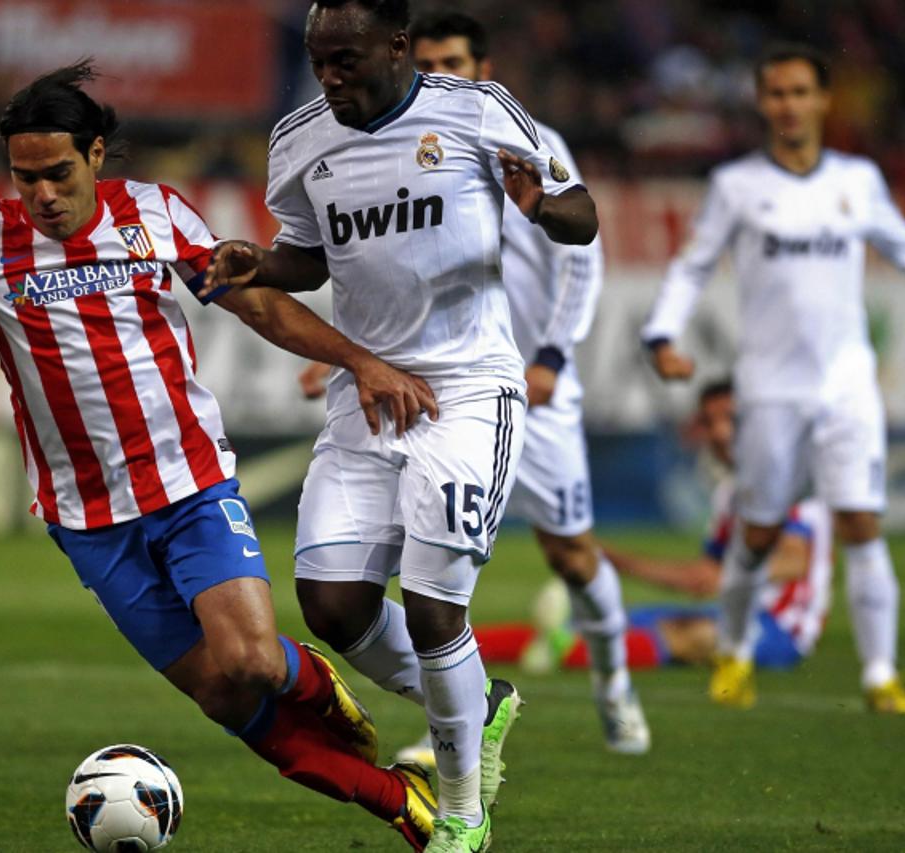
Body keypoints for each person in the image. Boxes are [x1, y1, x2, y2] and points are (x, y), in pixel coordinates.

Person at [0, 60, 448, 850]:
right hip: (89, 521)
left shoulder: (154, 215)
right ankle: (403, 806)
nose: (41, 194)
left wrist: (359, 360)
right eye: (25, 177)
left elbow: (260, 307)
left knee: (249, 657)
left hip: (189, 484)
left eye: (57, 173)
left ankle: (314, 683)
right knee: (222, 694)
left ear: (98, 154)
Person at [204, 1, 599, 849]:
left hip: (467, 390)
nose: (331, 77)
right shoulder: (300, 138)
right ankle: (474, 701)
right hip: (368, 393)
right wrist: (262, 262)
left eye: (346, 59)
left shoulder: (475, 110)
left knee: (431, 605)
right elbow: (312, 252)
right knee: (333, 606)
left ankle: (461, 812)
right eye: (318, 62)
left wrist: (537, 203)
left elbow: (584, 218)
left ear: (396, 47)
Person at [299, 8, 649, 756]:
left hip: (523, 376)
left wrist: (553, 353)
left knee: (570, 553)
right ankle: (460, 715)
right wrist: (343, 351)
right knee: (435, 570)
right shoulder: (373, 134)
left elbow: (580, 254)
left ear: (482, 68)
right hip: (427, 385)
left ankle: (615, 687)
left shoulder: (513, 134)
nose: (443, 75)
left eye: (456, 61)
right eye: (432, 62)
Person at [642, 43, 905, 714]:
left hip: (847, 382)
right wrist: (662, 332)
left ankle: (881, 674)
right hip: (769, 389)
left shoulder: (856, 181)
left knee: (861, 521)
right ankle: (737, 655)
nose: (789, 105)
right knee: (760, 531)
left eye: (801, 92)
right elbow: (691, 265)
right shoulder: (737, 186)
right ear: (761, 102)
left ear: (824, 100)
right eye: (777, 93)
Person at [473, 381, 834, 676]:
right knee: (607, 621)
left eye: (731, 418)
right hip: (730, 613)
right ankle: (457, 645)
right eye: (709, 422)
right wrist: (605, 556)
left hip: (781, 630)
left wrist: (607, 558)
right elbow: (706, 575)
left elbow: (788, 563)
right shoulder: (730, 495)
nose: (721, 432)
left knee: (699, 637)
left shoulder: (790, 483)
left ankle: (562, 652)